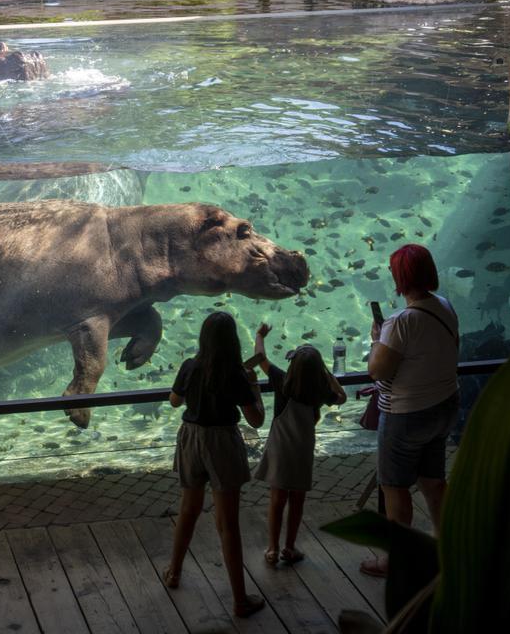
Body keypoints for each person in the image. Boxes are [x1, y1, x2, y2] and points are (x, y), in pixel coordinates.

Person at [360, 244, 460, 578]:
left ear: (400, 278)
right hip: (443, 407)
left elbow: (378, 371)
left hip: (406, 415)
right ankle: (448, 548)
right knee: (433, 481)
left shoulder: (400, 322)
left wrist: (376, 340)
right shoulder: (444, 307)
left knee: (395, 487)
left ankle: (397, 560)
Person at [165, 311, 267, 617]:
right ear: (232, 341)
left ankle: (174, 573)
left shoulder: (189, 366)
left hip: (191, 439)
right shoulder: (235, 374)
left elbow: (173, 401)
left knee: (188, 510)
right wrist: (255, 387)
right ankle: (239, 600)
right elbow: (256, 420)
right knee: (228, 524)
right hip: (221, 441)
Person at [253, 325, 346, 565]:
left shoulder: (282, 382)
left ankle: (272, 548)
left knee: (277, 499)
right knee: (297, 501)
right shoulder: (319, 391)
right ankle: (290, 547)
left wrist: (260, 336)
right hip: (302, 451)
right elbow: (342, 397)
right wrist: (329, 376)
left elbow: (261, 359)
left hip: (279, 449)